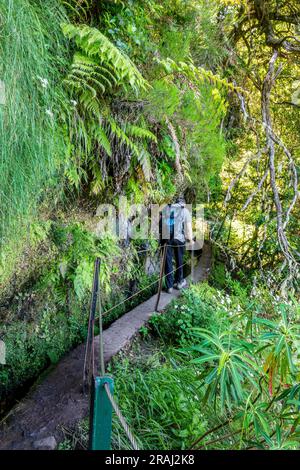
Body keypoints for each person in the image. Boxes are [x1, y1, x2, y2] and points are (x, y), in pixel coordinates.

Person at [160, 196, 193, 294]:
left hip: (166, 238)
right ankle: (179, 282)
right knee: (179, 260)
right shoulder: (185, 211)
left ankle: (169, 286)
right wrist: (190, 240)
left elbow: (161, 222)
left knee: (167, 261)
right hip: (179, 239)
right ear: (184, 203)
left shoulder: (167, 207)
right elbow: (188, 228)